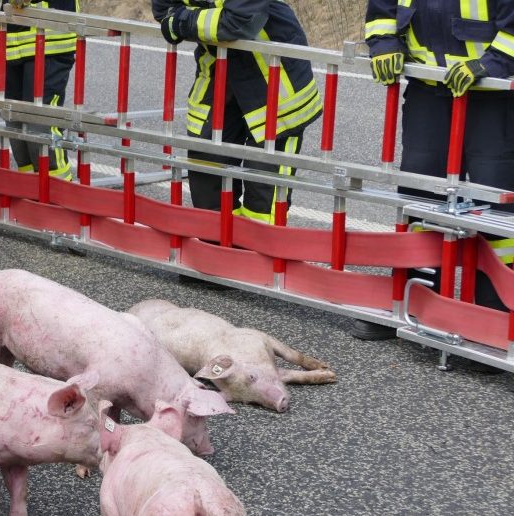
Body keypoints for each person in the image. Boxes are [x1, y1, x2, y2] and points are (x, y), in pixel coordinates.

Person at [354, 0, 514, 340]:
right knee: (420, 197)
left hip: (496, 94)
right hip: (430, 91)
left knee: (496, 207)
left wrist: (491, 64)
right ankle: (415, 303)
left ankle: (495, 320)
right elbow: (381, 13)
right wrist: (385, 45)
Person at [154, 0, 323, 224]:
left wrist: (182, 22)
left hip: (275, 85)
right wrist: (202, 21)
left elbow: (241, 21)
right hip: (218, 76)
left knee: (262, 202)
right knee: (208, 190)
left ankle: (258, 255)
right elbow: (164, 11)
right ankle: (218, 252)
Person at [0, 0, 79, 180]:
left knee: (40, 124)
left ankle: (60, 194)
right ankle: (31, 193)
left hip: (50, 40)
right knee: (15, 123)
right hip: (15, 39)